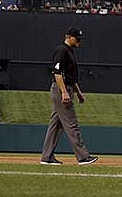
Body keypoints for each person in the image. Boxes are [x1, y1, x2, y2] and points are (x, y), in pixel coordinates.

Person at [40, 27, 98, 166]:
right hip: (62, 90)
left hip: (66, 88)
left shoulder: (69, 51)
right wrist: (64, 92)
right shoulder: (62, 50)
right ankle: (83, 157)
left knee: (56, 125)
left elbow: (71, 77)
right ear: (68, 37)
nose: (79, 41)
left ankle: (46, 157)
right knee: (72, 124)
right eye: (77, 38)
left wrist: (78, 92)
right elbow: (57, 72)